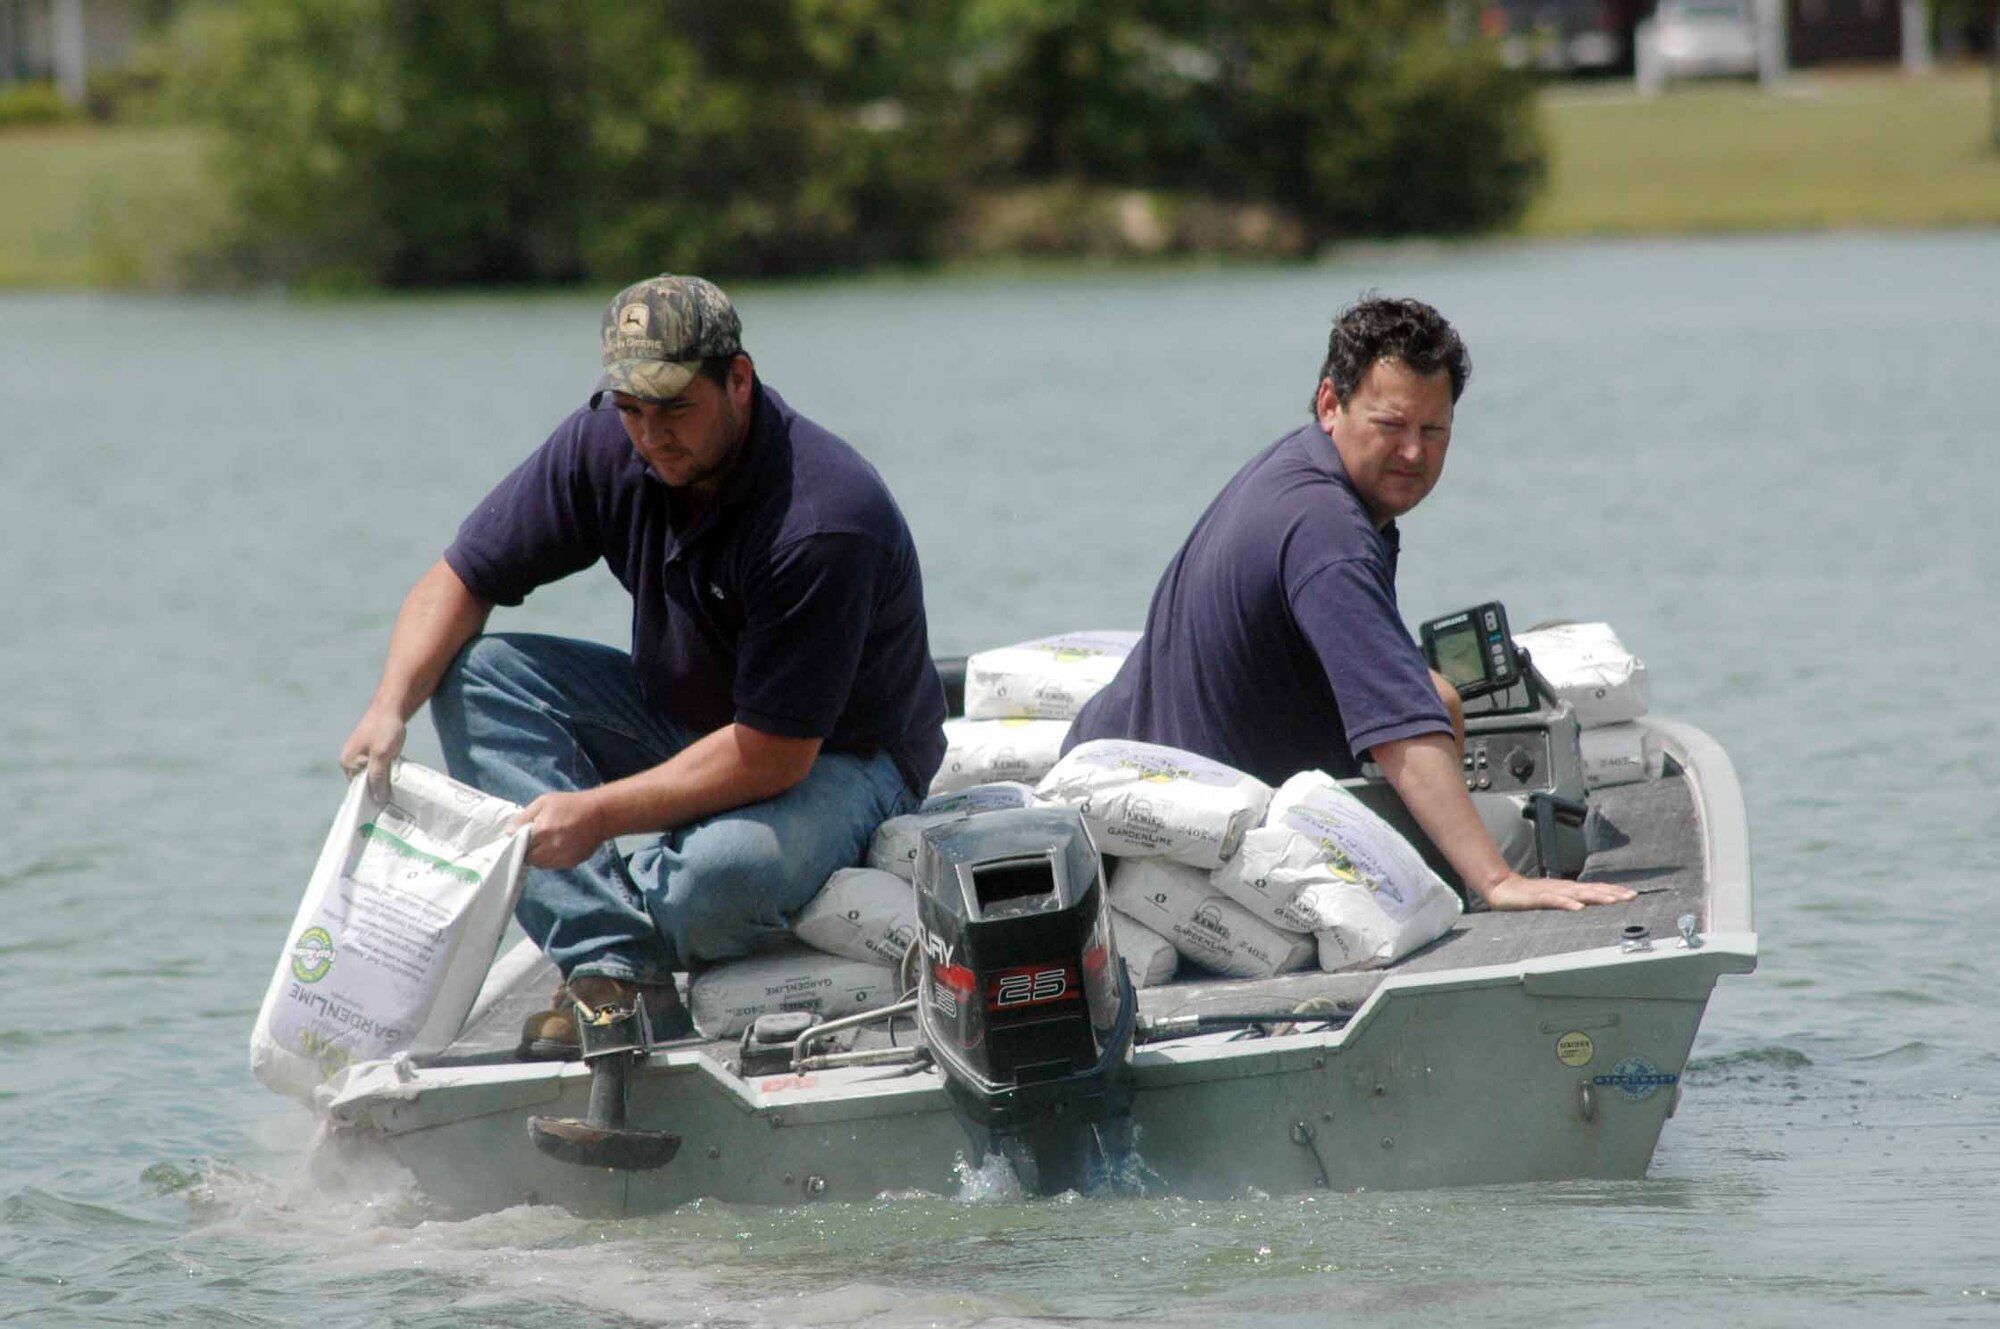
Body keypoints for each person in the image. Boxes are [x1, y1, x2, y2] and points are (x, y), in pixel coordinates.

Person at [339, 274, 947, 1047]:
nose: (652, 435)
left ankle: (614, 940)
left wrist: (596, 814)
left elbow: (773, 757)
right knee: (476, 676)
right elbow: (460, 578)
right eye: (631, 410)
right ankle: (613, 970)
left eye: (674, 408)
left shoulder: (821, 519)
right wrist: (389, 705)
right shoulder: (607, 445)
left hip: (842, 756)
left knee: (715, 879)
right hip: (688, 718)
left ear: (738, 379)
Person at [1066, 295, 1631, 913]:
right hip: (1177, 838)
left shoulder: (1299, 471)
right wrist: (1499, 882)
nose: (1413, 453)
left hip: (1132, 767)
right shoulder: (1327, 533)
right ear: (1331, 404)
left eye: (1432, 429)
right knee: (1531, 839)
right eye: (1390, 426)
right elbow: (1403, 734)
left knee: (1437, 700)